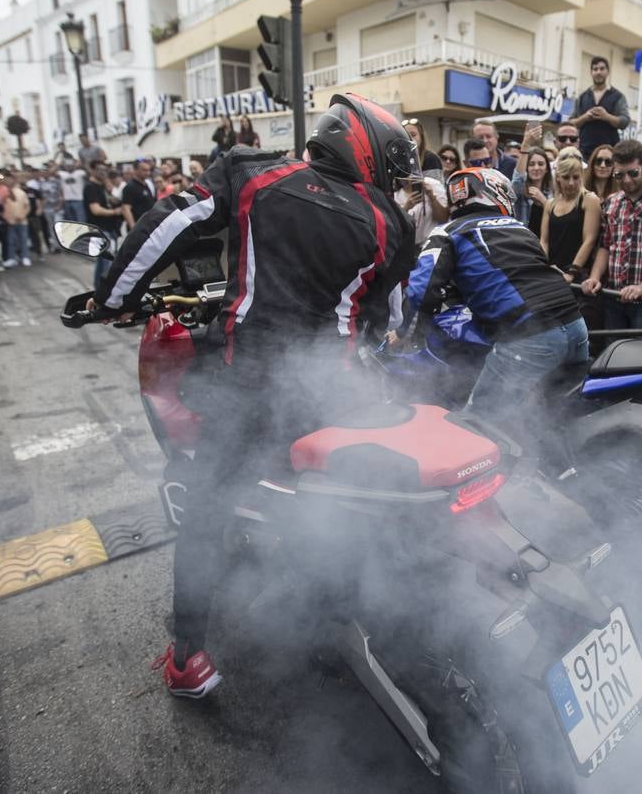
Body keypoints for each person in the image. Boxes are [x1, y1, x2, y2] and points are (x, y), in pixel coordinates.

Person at [87, 93, 417, 698]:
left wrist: (111, 299)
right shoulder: (390, 224)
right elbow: (389, 315)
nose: (393, 183)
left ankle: (187, 657)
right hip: (334, 394)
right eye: (393, 168)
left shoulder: (254, 171)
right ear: (367, 150)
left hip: (254, 384)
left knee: (207, 511)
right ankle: (324, 625)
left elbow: (167, 224)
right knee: (331, 508)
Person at [406, 167, 588, 419]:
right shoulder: (520, 228)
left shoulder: (448, 231)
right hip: (576, 326)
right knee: (552, 414)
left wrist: (407, 332)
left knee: (479, 421)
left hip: (530, 336)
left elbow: (420, 291)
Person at [580, 139, 642, 331]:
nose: (626, 180)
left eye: (633, 173)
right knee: (613, 351)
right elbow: (605, 246)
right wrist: (594, 277)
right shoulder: (611, 202)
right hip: (612, 293)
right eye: (619, 175)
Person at [540, 153, 602, 283]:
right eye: (566, 177)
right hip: (552, 272)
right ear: (558, 178)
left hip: (579, 273)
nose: (571, 183)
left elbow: (589, 240)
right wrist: (545, 266)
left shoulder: (589, 200)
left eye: (576, 177)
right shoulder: (550, 204)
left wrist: (572, 271)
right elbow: (544, 241)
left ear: (582, 177)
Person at [570, 56, 630, 160]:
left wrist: (606, 116)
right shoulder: (583, 97)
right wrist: (585, 117)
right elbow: (570, 123)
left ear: (607, 72)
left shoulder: (617, 96)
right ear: (591, 72)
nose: (598, 72)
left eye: (602, 69)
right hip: (584, 153)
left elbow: (625, 121)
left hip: (609, 153)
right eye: (595, 69)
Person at [83, 163, 123, 290]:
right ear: (93, 171)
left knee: (105, 262)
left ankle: (101, 289)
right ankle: (101, 289)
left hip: (109, 228)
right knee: (104, 262)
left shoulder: (102, 187)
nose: (103, 173)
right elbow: (95, 209)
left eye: (105, 170)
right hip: (100, 229)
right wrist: (115, 212)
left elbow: (111, 201)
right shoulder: (90, 187)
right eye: (99, 170)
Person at [512, 147, 552, 238]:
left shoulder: (552, 193)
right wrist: (525, 145)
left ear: (547, 169)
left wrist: (544, 202)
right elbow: (518, 179)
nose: (536, 168)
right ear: (526, 168)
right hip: (523, 242)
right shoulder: (519, 192)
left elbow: (558, 220)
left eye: (541, 164)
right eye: (531, 164)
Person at [1, 173, 32, 268]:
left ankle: (25, 257)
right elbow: (4, 208)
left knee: (23, 240)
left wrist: (22, 215)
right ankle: (12, 258)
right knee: (11, 241)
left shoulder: (21, 192)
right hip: (10, 222)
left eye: (10, 179)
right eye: (6, 179)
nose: (8, 181)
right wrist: (6, 218)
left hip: (21, 221)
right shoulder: (5, 193)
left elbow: (27, 206)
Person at [120, 159, 156, 225]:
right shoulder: (130, 187)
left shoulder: (146, 184)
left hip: (149, 224)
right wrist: (133, 228)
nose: (148, 173)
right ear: (135, 170)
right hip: (139, 226)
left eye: (149, 170)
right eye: (144, 170)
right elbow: (126, 209)